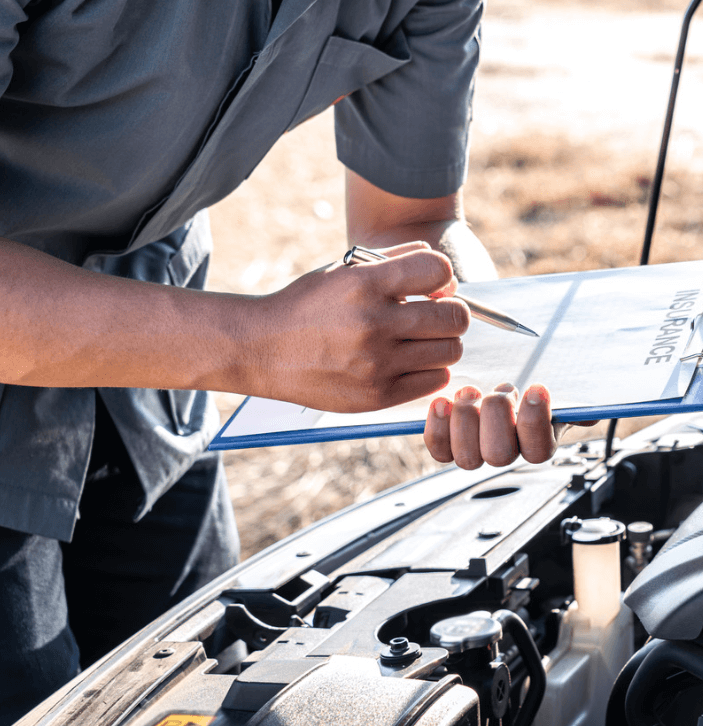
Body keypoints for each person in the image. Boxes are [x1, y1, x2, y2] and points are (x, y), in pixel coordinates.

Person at [0, 0, 557, 719]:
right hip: (157, 349)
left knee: (191, 696)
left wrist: (478, 345)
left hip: (150, 387)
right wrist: (254, 344)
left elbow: (411, 224)